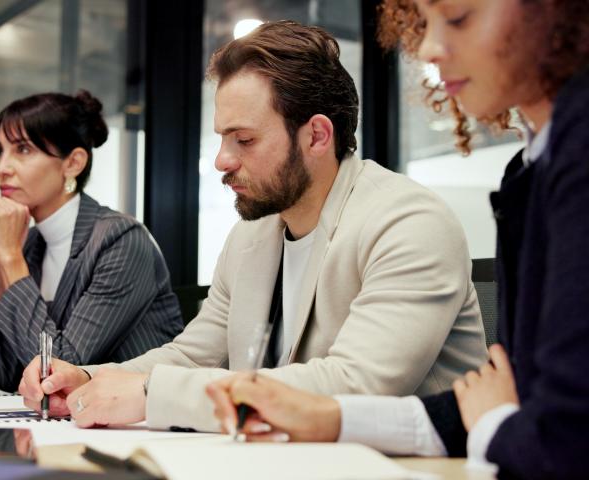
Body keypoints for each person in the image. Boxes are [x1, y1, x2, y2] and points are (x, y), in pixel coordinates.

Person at [18, 21, 486, 432]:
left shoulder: (409, 223)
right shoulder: (253, 234)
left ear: (317, 136)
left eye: (244, 139)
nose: (222, 160)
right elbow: (192, 355)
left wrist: (150, 394)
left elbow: (356, 386)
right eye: (222, 138)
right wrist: (87, 377)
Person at [207, 2, 589, 478]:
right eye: (424, 24)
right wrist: (331, 419)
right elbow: (498, 406)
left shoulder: (569, 159)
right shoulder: (530, 169)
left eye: (459, 17)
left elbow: (559, 436)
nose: (427, 48)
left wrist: (495, 420)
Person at [0, 90, 184, 392]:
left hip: (138, 426)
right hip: (70, 424)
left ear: (73, 163)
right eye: (0, 150)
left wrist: (10, 258)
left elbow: (60, 369)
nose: (2, 167)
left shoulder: (120, 239)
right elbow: (6, 375)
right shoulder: (31, 244)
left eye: (23, 149)